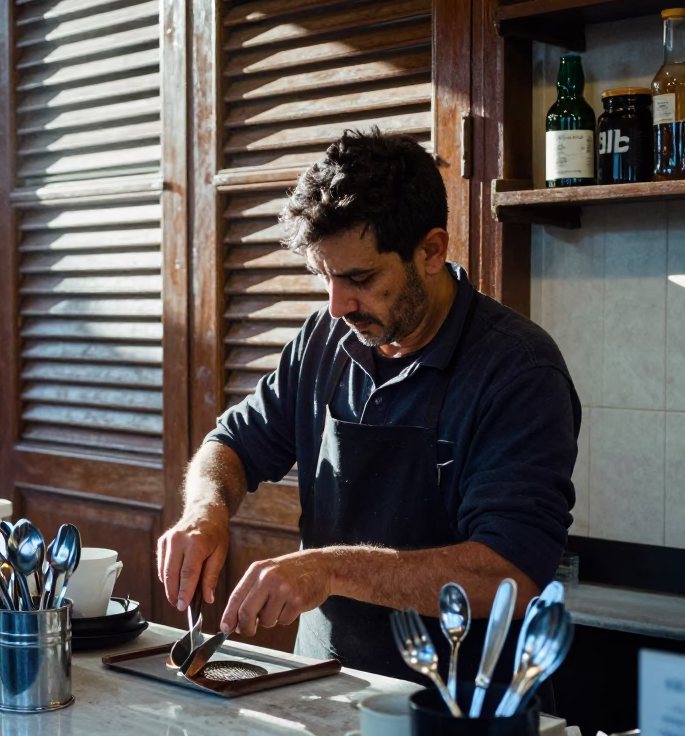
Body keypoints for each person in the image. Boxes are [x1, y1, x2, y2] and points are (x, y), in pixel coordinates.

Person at [157, 129, 581, 682]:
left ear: (431, 250)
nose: (337, 307)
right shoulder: (323, 341)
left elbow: (511, 575)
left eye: (359, 278)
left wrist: (328, 569)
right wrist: (204, 510)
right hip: (322, 684)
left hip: (458, 710)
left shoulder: (518, 370)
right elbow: (232, 444)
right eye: (325, 278)